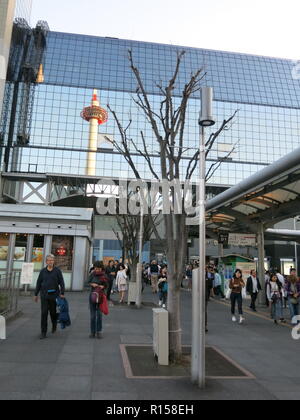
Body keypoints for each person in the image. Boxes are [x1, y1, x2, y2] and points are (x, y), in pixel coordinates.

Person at [34, 254, 65, 340]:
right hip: (44, 295)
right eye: (49, 260)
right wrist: (36, 294)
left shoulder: (57, 271)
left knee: (53, 313)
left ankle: (54, 324)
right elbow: (38, 282)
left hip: (54, 295)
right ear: (46, 262)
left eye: (52, 260)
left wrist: (62, 293)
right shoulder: (42, 271)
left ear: (54, 261)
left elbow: (61, 282)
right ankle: (43, 332)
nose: (50, 262)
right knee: (44, 313)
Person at [88, 261, 108, 339]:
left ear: (101, 268)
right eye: (96, 268)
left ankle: (99, 331)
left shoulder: (104, 275)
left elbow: (107, 285)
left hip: (101, 297)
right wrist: (92, 284)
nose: (97, 270)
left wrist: (102, 286)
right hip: (92, 296)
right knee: (93, 316)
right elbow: (87, 282)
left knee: (99, 315)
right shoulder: (92, 274)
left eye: (99, 269)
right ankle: (92, 332)